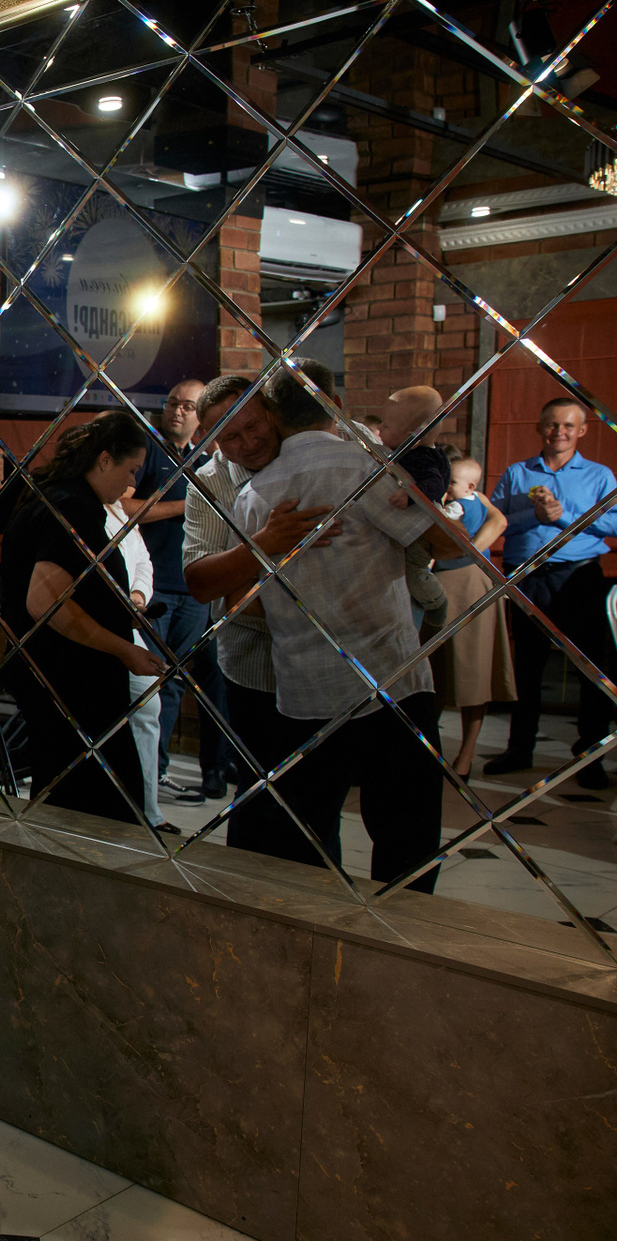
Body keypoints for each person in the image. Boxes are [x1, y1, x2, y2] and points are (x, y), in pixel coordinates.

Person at [232, 366, 462, 891]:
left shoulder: (255, 494)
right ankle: (400, 935)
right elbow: (446, 544)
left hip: (305, 690)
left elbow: (252, 599)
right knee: (406, 839)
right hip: (391, 680)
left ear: (273, 417)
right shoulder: (367, 467)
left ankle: (318, 933)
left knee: (307, 843)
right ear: (334, 404)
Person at [182, 372, 339, 865]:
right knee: (260, 795)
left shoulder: (316, 458)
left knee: (318, 800)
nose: (247, 443)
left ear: (272, 414)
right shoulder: (208, 483)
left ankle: (318, 897)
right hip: (256, 665)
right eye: (229, 436)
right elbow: (202, 581)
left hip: (325, 660)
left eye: (252, 426)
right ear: (211, 439)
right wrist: (263, 543)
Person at [0, 411, 167, 823]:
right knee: (95, 804)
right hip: (73, 681)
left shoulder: (58, 497)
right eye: (131, 470)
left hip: (64, 678)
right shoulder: (72, 506)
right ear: (105, 460)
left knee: (71, 797)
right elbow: (46, 603)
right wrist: (124, 648)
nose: (131, 483)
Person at [485, 397, 617, 788]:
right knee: (527, 667)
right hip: (527, 578)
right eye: (552, 424)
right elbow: (494, 519)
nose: (559, 432)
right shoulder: (517, 473)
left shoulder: (599, 476)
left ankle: (589, 756)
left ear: (582, 430)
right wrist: (535, 515)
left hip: (579, 578)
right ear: (539, 428)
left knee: (588, 667)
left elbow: (614, 524)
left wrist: (565, 518)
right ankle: (519, 749)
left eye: (568, 425)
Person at [123, 378, 229, 803]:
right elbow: (125, 507)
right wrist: (186, 506)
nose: (177, 411)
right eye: (172, 403)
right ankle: (142, 777)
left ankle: (160, 772)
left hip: (193, 589)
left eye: (187, 406)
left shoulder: (205, 460)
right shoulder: (149, 451)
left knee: (176, 683)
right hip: (156, 588)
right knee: (148, 681)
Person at [431, 454, 513, 779]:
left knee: (473, 669)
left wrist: (471, 552)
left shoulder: (470, 500)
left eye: (453, 481)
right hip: (435, 586)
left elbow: (499, 521)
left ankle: (465, 756)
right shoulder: (442, 495)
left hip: (468, 582)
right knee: (432, 671)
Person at [111, 498, 174, 834]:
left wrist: (137, 596)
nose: (131, 479)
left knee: (148, 705)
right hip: (96, 626)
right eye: (130, 472)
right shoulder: (80, 509)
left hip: (127, 624)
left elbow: (143, 562)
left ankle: (148, 812)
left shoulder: (121, 513)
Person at [373, 386, 453, 640]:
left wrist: (410, 495)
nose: (379, 429)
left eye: (386, 425)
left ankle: (436, 602)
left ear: (411, 436)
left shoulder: (421, 457)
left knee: (414, 570)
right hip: (416, 529)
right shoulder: (414, 452)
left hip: (422, 532)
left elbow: (435, 485)